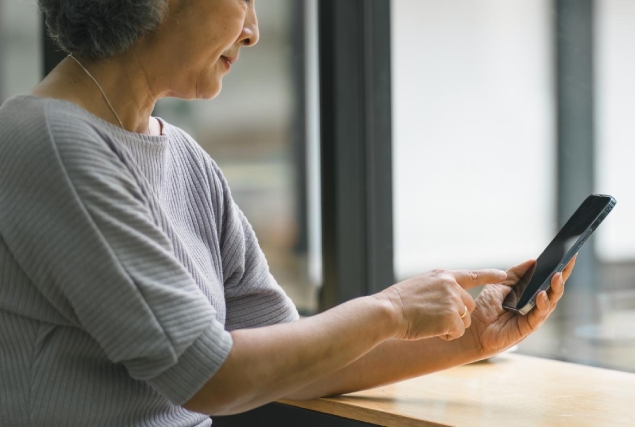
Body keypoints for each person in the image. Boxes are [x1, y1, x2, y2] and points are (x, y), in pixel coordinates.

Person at [0, 0, 574, 425]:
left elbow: (291, 354)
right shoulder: (49, 142)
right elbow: (209, 374)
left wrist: (471, 337)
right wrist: (391, 309)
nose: (252, 31)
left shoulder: (183, 158)